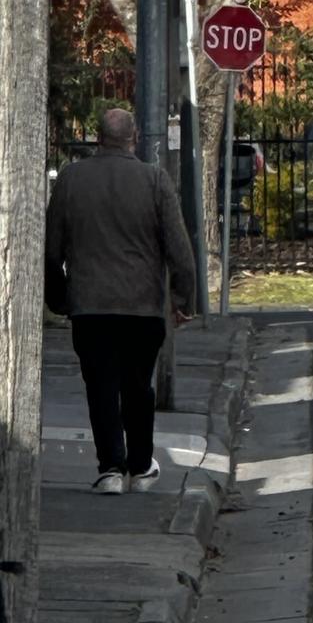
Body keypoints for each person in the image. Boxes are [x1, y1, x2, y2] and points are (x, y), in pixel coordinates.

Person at [45, 109, 197, 495]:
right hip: (141, 304)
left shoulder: (71, 179)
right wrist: (182, 297)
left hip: (90, 305)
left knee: (100, 387)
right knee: (137, 387)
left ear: (98, 138)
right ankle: (141, 463)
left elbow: (52, 248)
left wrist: (59, 296)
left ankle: (110, 466)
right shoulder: (154, 180)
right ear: (134, 139)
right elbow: (179, 247)